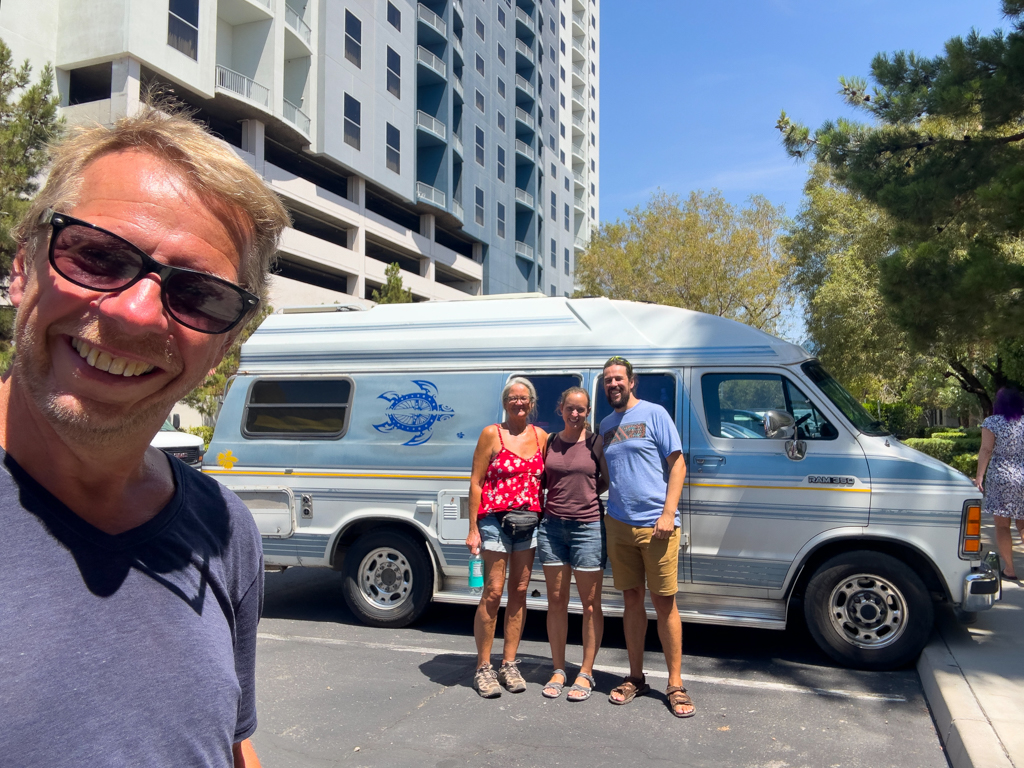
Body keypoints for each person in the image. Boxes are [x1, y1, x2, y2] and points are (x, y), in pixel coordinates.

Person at [0, 106, 291, 766]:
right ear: (23, 269)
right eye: (97, 256)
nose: (135, 314)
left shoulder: (223, 528)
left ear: (224, 346)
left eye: (199, 295)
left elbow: (232, 745)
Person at [599, 356, 695, 718]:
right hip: (619, 524)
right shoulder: (606, 424)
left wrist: (668, 513)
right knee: (631, 600)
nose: (613, 385)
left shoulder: (655, 414)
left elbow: (678, 463)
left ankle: (675, 683)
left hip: (658, 526)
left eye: (618, 379)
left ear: (631, 381)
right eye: (608, 380)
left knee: (664, 602)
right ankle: (636, 677)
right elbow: (608, 476)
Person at [466, 378, 548, 697]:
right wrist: (473, 528)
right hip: (494, 520)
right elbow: (476, 482)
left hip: (529, 521)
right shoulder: (491, 434)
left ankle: (509, 663)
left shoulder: (541, 436)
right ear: (505, 402)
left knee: (520, 590)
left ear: (531, 403)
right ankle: (483, 667)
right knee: (493, 591)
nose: (518, 403)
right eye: (513, 398)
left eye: (523, 398)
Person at [538, 386, 609, 702]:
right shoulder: (550, 442)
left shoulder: (596, 443)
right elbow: (541, 479)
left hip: (588, 528)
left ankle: (586, 672)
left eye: (581, 409)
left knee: (590, 603)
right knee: (556, 601)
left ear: (588, 412)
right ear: (561, 409)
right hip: (551, 529)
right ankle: (558, 668)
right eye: (570, 408)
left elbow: (604, 480)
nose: (576, 414)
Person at [976, 387, 1024, 580]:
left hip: (1001, 476)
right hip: (1022, 476)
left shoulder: (991, 422)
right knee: (1023, 524)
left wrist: (979, 477)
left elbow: (986, 450)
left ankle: (1010, 569)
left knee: (1002, 526)